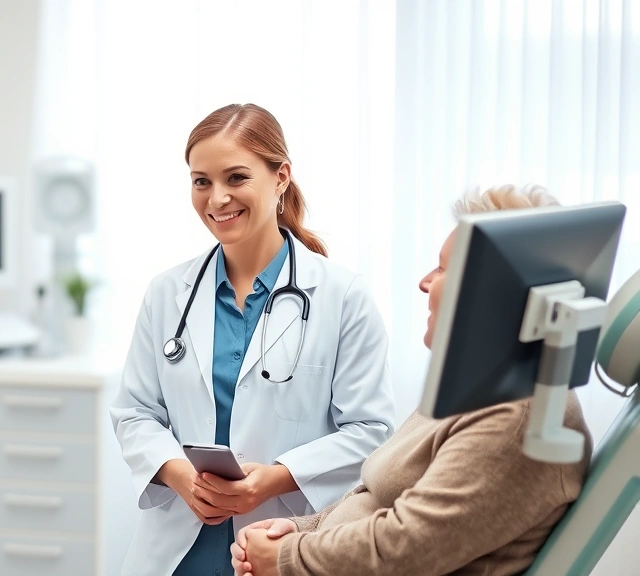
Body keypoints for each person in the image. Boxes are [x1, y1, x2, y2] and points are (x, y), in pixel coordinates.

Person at [230, 184, 592, 576]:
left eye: (441, 269)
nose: (424, 282)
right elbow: (378, 499)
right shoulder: (479, 390)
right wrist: (301, 529)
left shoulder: (519, 416)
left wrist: (288, 557)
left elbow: (409, 546)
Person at [109, 103, 397, 576]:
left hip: (277, 541)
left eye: (236, 178)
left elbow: (371, 431)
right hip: (180, 547)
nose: (216, 198)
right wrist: (183, 477)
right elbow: (135, 412)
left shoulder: (342, 296)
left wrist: (274, 480)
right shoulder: (167, 293)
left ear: (280, 176)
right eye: (201, 181)